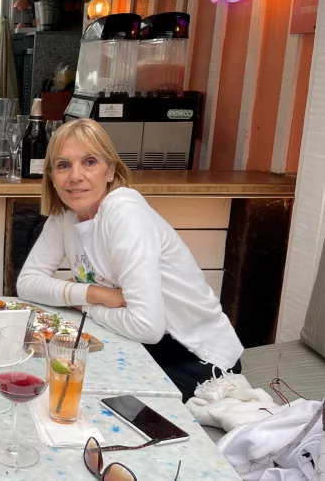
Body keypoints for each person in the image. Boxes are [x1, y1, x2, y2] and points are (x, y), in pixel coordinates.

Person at [16, 118, 243, 402]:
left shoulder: (124, 212)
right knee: (50, 382)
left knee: (79, 399)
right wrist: (96, 293)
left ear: (111, 170)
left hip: (198, 359)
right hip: (137, 346)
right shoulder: (66, 213)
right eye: (63, 165)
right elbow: (26, 284)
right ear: (51, 175)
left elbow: (147, 327)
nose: (75, 176)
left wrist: (81, 303)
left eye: (89, 162)